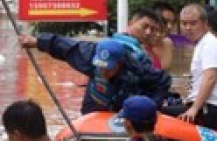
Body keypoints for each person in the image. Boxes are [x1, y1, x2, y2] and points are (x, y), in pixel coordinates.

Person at [18, 34, 171, 114]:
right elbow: (64, 46)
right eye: (101, 68)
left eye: (109, 69)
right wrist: (37, 41)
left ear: (120, 63)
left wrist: (153, 106)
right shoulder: (89, 55)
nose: (104, 72)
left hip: (127, 94)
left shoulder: (139, 68)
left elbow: (164, 81)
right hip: (98, 97)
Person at [161, 4, 217, 131]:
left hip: (211, 109)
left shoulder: (210, 44)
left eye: (193, 23)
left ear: (205, 23)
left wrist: (194, 108)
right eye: (184, 23)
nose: (188, 28)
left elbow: (210, 78)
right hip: (203, 106)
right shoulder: (202, 44)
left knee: (154, 112)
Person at [148, 2, 176, 70]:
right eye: (165, 21)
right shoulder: (137, 45)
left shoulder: (168, 44)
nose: (170, 26)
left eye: (172, 22)